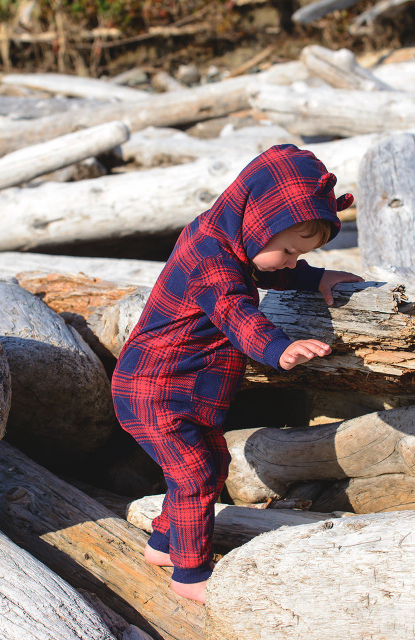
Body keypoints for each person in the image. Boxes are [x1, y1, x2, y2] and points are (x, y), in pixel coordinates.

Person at [110, 144, 363, 603]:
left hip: (189, 387)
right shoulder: (210, 255)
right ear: (258, 221)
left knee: (211, 464)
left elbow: (264, 268)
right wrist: (277, 346)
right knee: (195, 475)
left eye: (298, 253)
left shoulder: (232, 236)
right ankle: (190, 574)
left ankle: (165, 543)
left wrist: (315, 278)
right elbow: (233, 307)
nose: (290, 259)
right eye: (288, 249)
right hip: (153, 388)